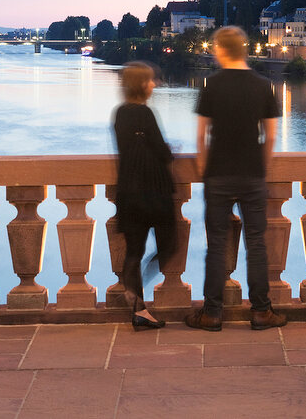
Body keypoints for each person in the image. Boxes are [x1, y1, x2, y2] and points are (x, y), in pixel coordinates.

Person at [185, 26, 287, 331]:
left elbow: (201, 135)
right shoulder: (264, 85)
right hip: (251, 174)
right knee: (256, 244)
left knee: (216, 245)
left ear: (222, 50)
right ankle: (261, 311)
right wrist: (262, 168)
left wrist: (205, 169)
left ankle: (212, 313)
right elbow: (270, 136)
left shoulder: (211, 85)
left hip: (218, 173)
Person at [112, 61, 177, 330]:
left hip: (128, 190)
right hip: (153, 190)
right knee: (169, 244)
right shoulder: (144, 114)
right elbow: (162, 151)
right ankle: (135, 296)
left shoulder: (120, 113)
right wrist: (170, 150)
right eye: (150, 80)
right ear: (140, 84)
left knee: (134, 250)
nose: (154, 84)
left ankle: (137, 305)